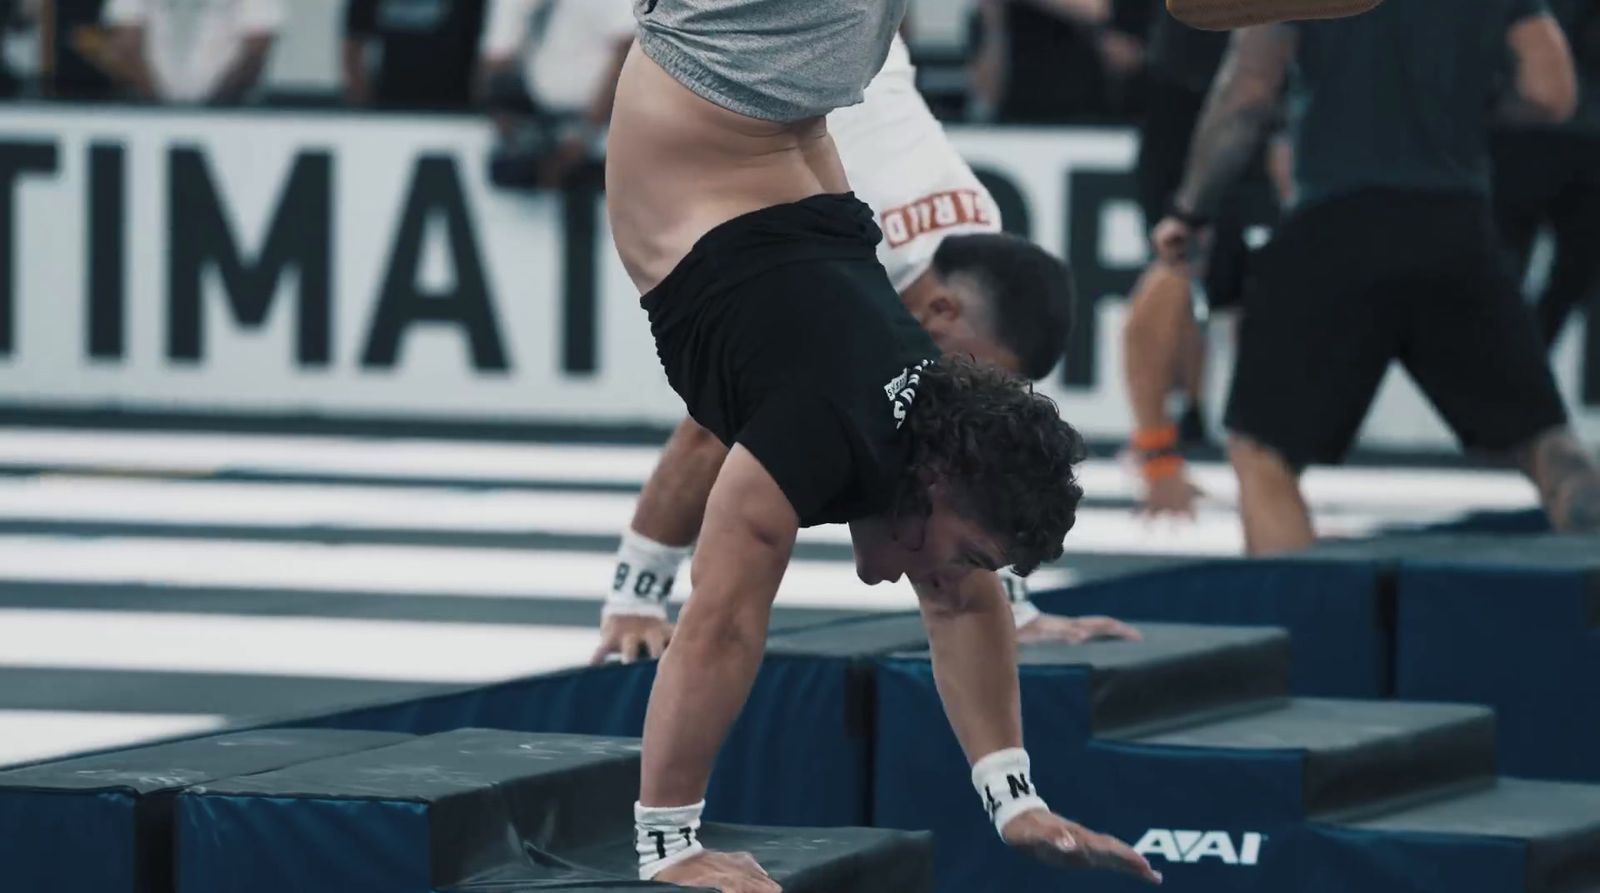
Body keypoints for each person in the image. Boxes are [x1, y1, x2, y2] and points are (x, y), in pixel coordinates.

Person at [606, 2, 1164, 891]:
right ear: (940, 480)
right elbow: (718, 628)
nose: (956, 574)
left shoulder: (933, 421)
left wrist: (1012, 797)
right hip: (732, 64)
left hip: (799, 80)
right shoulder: (817, 442)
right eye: (973, 550)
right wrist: (669, 844)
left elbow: (966, 604)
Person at [594, 34, 1141, 667]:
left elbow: (974, 464)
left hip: (850, 48)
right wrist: (638, 596)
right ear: (941, 312)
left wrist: (1010, 604)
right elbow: (711, 431)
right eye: (968, 369)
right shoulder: (860, 268)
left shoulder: (971, 256)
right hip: (764, 54)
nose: (964, 391)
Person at [1153, 0, 1600, 555]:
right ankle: (1591, 612)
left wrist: (1192, 208)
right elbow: (1551, 93)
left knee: (1263, 451)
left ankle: (1302, 629)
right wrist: (1463, 109)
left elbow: (1247, 93)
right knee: (1548, 446)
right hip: (1455, 225)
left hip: (1337, 221)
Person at [1120, 1, 1279, 517]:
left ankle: (1239, 432)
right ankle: (1166, 433)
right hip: (1193, 97)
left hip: (1237, 98)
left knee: (1243, 280)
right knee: (1176, 267)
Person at [1492, 0, 1600, 352]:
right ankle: (1517, 355)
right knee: (1508, 266)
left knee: (1568, 268)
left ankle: (1523, 354)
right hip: (1527, 133)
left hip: (1569, 138)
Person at [477, 0, 632, 188]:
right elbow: (497, 61)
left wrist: (586, 133)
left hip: (604, 130)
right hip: (536, 126)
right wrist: (513, 132)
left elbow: (628, 52)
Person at [101, 0, 283, 104]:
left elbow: (254, 54)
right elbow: (126, 48)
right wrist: (161, 109)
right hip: (146, 113)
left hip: (231, 111)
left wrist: (209, 114)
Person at [342, 0, 485, 110]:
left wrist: (478, 107)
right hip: (389, 105)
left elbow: (488, 48)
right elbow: (354, 43)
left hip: (454, 106)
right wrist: (361, 102)